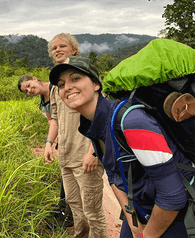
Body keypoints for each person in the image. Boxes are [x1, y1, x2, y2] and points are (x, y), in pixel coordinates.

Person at [49, 55, 194, 237]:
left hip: (176, 214)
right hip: (141, 208)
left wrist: (147, 235)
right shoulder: (92, 124)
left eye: (75, 78)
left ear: (96, 84)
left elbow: (173, 195)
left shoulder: (132, 122)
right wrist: (133, 222)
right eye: (61, 85)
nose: (67, 87)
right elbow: (114, 175)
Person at [44, 33, 108, 237]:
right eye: (54, 48)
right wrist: (49, 143)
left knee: (93, 212)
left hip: (86, 156)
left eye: (62, 46)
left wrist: (94, 152)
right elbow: (54, 118)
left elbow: (101, 115)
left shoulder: (85, 77)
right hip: (66, 156)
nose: (57, 50)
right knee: (75, 205)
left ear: (74, 50)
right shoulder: (56, 86)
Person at [17, 74, 74, 229]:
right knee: (65, 175)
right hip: (63, 140)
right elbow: (52, 122)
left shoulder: (57, 88)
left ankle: (70, 215)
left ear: (35, 79)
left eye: (28, 85)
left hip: (76, 135)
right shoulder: (43, 103)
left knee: (74, 178)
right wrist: (52, 143)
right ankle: (63, 210)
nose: (29, 91)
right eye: (26, 92)